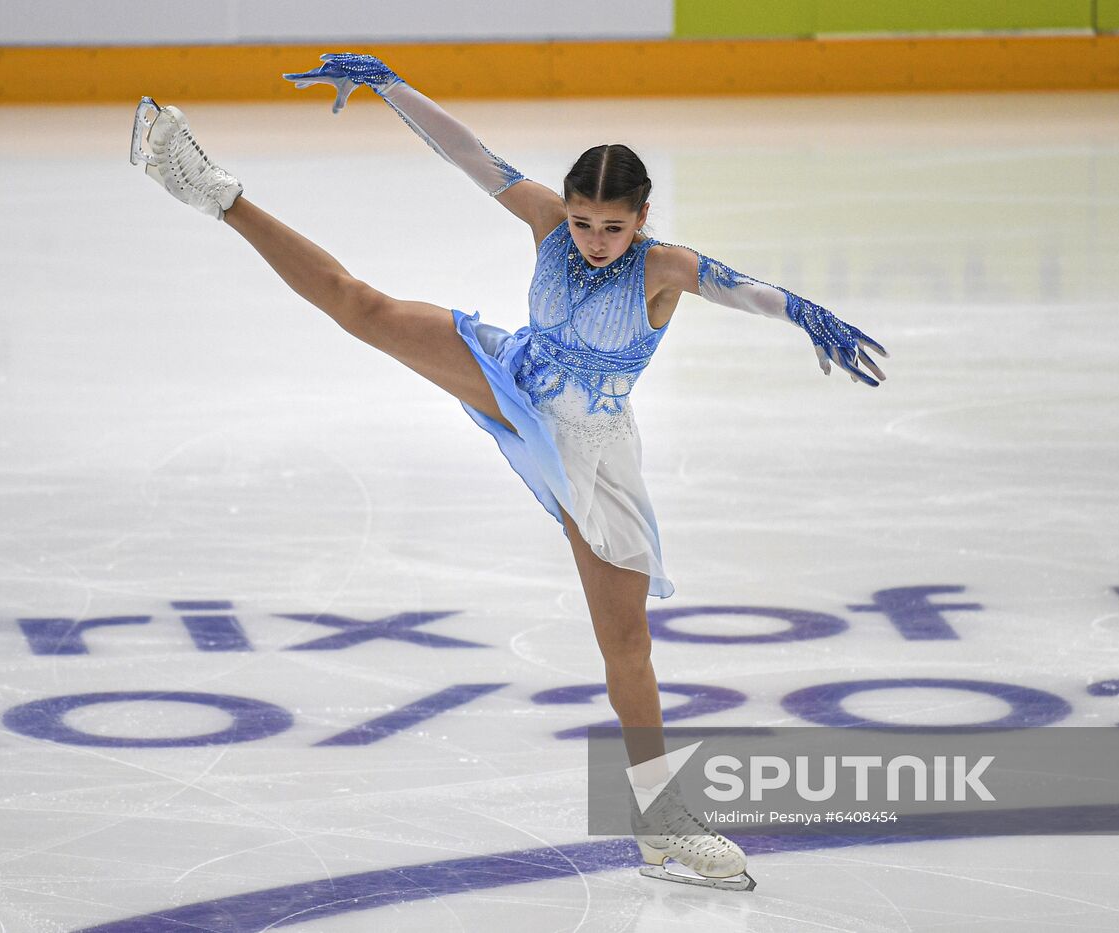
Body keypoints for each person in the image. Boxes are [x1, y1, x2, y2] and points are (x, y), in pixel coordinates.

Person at [130, 52, 886, 892]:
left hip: (592, 452)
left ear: (642, 219)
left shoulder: (664, 268)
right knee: (363, 306)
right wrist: (388, 85)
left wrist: (809, 315)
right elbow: (467, 153)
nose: (594, 242)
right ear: (567, 210)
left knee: (627, 643)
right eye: (582, 222)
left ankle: (660, 821)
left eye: (612, 227)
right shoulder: (545, 224)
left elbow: (744, 288)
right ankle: (214, 191)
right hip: (511, 376)